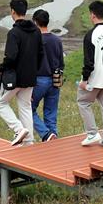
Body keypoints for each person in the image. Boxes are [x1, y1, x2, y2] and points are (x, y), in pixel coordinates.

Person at [0, 0, 44, 146]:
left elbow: (10, 56)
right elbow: (41, 54)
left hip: (15, 77)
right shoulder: (36, 30)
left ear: (12, 12)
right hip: (31, 76)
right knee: (25, 106)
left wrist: (2, 68)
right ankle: (28, 141)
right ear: (25, 11)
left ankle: (18, 129)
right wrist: (34, 70)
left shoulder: (14, 33)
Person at [76, 0, 103, 148]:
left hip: (96, 78)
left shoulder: (91, 35)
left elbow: (88, 61)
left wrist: (84, 79)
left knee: (83, 102)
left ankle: (92, 133)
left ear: (92, 15)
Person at [31, 9, 63, 142]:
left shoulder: (35, 40)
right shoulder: (56, 40)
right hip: (55, 79)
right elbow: (61, 62)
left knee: (28, 109)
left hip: (39, 80)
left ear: (35, 22)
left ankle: (45, 134)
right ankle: (52, 137)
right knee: (51, 113)